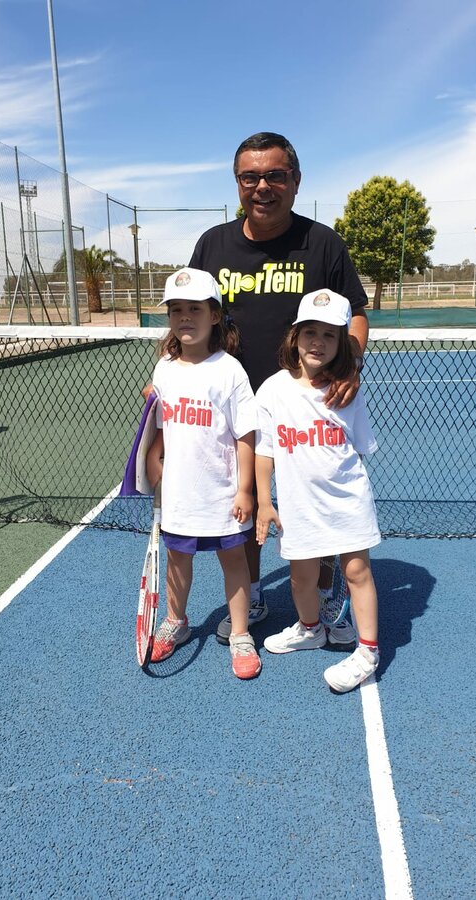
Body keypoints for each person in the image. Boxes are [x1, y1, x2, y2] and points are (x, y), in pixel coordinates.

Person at [189, 131, 369, 647]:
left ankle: (327, 593)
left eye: (275, 175)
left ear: (295, 180)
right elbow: (192, 315)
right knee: (243, 506)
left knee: (320, 501)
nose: (262, 186)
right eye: (250, 177)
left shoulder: (323, 242)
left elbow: (356, 314)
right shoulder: (213, 244)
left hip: (306, 406)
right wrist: (171, 375)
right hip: (234, 406)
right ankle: (251, 593)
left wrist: (350, 363)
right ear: (237, 183)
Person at [255, 288, 381, 693]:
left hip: (348, 502)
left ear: (343, 342)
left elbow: (358, 451)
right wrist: (263, 501)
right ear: (295, 336)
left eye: (329, 335)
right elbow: (264, 451)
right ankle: (310, 629)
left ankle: (368, 651)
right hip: (298, 508)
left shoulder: (347, 393)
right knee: (301, 578)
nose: (318, 342)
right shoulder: (273, 389)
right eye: (310, 331)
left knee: (357, 571)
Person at [145, 267, 261, 680]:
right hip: (179, 494)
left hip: (221, 493)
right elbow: (160, 425)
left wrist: (245, 489)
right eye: (176, 309)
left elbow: (246, 435)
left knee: (234, 561)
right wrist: (153, 458)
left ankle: (241, 633)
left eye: (195, 308)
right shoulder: (164, 368)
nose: (185, 317)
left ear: (214, 315)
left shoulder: (230, 371)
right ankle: (176, 621)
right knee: (177, 560)